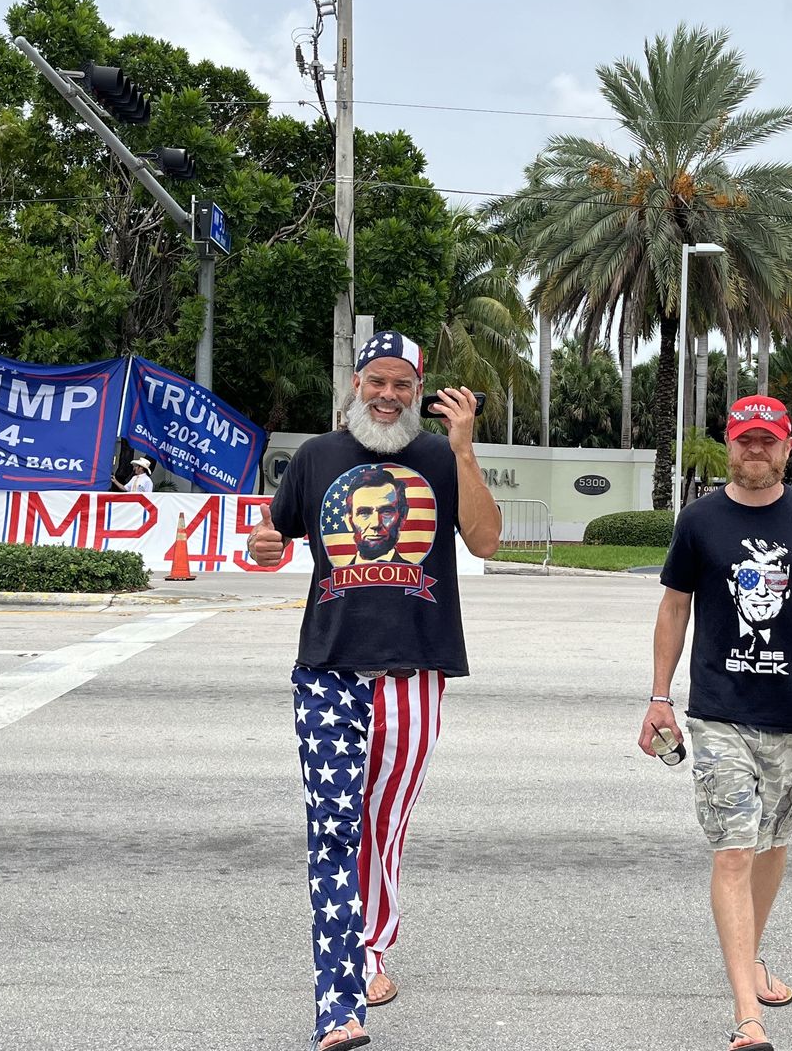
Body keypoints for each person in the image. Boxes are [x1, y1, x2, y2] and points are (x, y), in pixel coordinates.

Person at [247, 330, 501, 1051]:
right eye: (376, 382)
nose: (387, 396)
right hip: (328, 669)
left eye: (402, 385)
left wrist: (463, 449)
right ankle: (342, 994)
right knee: (334, 829)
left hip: (414, 673)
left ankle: (373, 945)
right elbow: (272, 537)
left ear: (418, 391)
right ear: (356, 383)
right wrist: (262, 547)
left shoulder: (437, 458)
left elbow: (486, 542)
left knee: (381, 826)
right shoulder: (317, 459)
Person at [640, 394, 792, 1051]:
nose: (756, 451)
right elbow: (672, 612)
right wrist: (659, 696)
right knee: (735, 851)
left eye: (768, 441)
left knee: (771, 846)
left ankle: (752, 959)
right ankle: (748, 1015)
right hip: (719, 715)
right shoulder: (700, 522)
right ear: (730, 445)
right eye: (745, 440)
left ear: (787, 447)